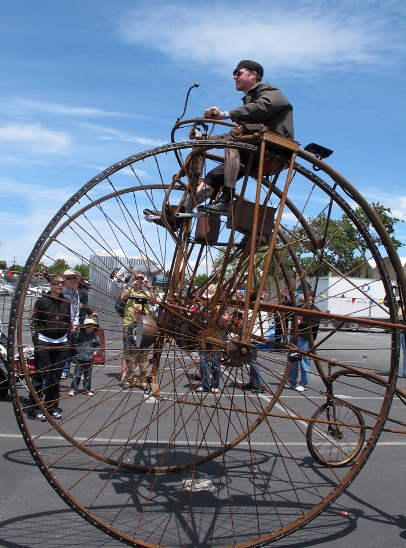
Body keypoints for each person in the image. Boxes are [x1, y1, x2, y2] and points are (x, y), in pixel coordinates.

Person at [188, 60, 293, 214]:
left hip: (273, 146)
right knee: (213, 176)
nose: (235, 77)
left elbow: (263, 106)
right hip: (250, 149)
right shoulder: (248, 107)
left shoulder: (269, 91)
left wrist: (225, 114)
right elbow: (232, 134)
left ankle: (227, 199)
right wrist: (203, 139)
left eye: (239, 73)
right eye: (234, 74)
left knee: (232, 145)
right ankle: (179, 214)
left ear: (253, 74)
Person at [28, 274, 72, 421]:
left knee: (55, 377)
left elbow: (68, 322)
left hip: (61, 342)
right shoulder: (42, 301)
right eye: (57, 283)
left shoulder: (66, 302)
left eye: (62, 283)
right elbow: (34, 322)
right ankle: (34, 408)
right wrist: (37, 341)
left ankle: (51, 406)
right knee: (39, 376)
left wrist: (68, 342)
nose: (60, 285)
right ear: (50, 285)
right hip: (44, 341)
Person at [121, 271, 159, 390]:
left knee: (143, 353)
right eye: (137, 279)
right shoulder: (130, 290)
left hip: (144, 325)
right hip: (130, 324)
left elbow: (153, 300)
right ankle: (127, 377)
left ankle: (142, 380)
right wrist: (131, 285)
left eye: (141, 280)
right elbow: (122, 297)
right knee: (129, 351)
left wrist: (149, 286)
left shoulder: (146, 292)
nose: (139, 282)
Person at [285, 290, 320, 392]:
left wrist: (300, 323)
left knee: (304, 361)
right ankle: (292, 381)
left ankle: (304, 383)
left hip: (304, 338)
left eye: (304, 294)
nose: (302, 295)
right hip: (295, 336)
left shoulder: (315, 310)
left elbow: (314, 325)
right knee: (292, 360)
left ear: (311, 298)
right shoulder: (300, 307)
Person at [68, 318, 100, 396]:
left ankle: (87, 389)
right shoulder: (80, 334)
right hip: (80, 357)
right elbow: (75, 341)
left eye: (92, 326)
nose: (91, 328)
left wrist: (96, 351)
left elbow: (98, 345)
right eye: (89, 326)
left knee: (88, 375)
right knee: (77, 374)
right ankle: (74, 389)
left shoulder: (95, 337)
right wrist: (76, 332)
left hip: (89, 358)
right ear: (85, 327)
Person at [61, 269, 81, 379]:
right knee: (64, 348)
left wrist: (76, 323)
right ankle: (63, 370)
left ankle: (67, 370)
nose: (71, 280)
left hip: (73, 325)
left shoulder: (75, 293)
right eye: (69, 278)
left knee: (71, 348)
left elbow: (76, 309)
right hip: (64, 324)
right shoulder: (61, 292)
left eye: (73, 278)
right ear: (64, 280)